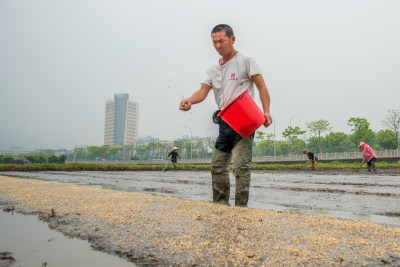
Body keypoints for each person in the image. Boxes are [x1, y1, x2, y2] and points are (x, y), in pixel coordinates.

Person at [179, 24, 272, 207]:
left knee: (241, 166)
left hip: (244, 121)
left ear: (232, 39)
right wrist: (189, 100)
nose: (218, 45)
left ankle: (241, 207)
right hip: (225, 121)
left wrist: (266, 111)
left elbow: (261, 86)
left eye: (221, 41)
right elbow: (203, 92)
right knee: (218, 165)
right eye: (214, 42)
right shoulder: (212, 69)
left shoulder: (246, 60)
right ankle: (221, 205)